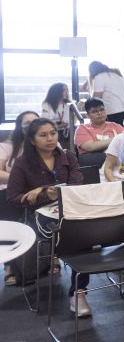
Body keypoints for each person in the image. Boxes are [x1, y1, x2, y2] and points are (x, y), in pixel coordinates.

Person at [6, 119, 89, 316]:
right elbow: (13, 197)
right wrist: (44, 195)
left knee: (85, 232)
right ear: (32, 140)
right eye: (43, 135)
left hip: (70, 209)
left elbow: (77, 185)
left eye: (53, 133)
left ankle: (78, 292)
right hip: (40, 214)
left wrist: (43, 189)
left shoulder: (67, 156)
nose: (50, 138)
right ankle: (79, 290)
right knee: (80, 237)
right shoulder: (23, 163)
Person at [0, 110, 39, 287]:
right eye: (27, 122)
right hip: (10, 190)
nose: (31, 125)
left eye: (35, 121)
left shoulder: (47, 143)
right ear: (19, 126)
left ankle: (50, 257)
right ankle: (9, 264)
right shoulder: (7, 146)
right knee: (9, 209)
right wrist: (21, 178)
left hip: (40, 191)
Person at [87, 61, 124, 125]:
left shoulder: (99, 77)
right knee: (120, 132)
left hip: (114, 110)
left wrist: (86, 103)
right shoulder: (115, 74)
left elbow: (96, 98)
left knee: (113, 132)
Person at [41, 82, 73, 148]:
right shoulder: (47, 104)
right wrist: (56, 125)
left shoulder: (69, 104)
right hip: (53, 131)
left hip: (67, 132)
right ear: (57, 91)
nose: (66, 92)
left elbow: (73, 120)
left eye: (67, 90)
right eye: (64, 90)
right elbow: (44, 119)